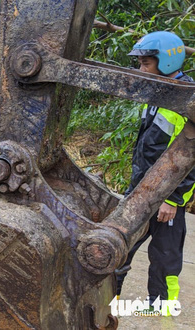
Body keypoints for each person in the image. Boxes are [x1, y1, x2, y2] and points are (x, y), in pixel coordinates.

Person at [115, 31, 194, 313]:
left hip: (166, 199)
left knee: (165, 257)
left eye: (146, 63)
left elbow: (192, 159)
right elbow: (148, 149)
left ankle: (162, 309)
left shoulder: (187, 99)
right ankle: (107, 302)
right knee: (117, 248)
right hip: (141, 191)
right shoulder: (160, 92)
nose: (141, 70)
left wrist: (173, 199)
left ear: (168, 62)